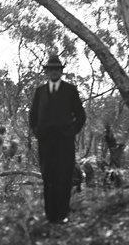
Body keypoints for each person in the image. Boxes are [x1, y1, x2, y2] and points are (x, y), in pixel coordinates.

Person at [28, 54, 87, 224]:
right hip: (45, 142)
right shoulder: (40, 91)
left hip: (64, 142)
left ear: (61, 72)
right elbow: (33, 116)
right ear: (46, 72)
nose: (53, 72)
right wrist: (38, 132)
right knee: (48, 177)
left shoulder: (70, 90)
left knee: (64, 177)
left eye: (57, 69)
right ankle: (50, 216)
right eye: (50, 69)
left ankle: (62, 214)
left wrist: (71, 132)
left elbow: (80, 116)